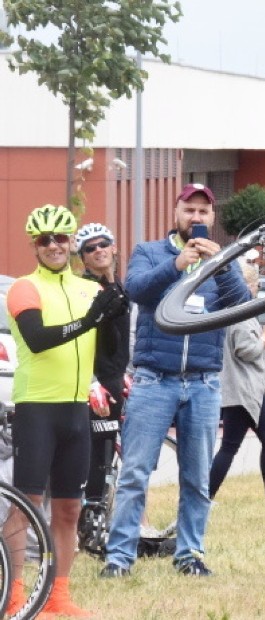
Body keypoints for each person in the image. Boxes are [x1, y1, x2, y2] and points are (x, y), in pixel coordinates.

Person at [101, 183, 250, 578]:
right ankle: (119, 558)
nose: (196, 218)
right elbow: (135, 290)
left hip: (203, 383)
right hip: (154, 381)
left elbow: (239, 306)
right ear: (176, 212)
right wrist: (177, 264)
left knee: (197, 476)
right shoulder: (150, 252)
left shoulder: (223, 258)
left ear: (212, 218)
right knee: (135, 472)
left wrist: (221, 264)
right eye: (189, 210)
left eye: (204, 212)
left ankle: (189, 554)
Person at [5, 205, 128, 617]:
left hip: (77, 410)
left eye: (61, 238)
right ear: (35, 246)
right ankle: (14, 595)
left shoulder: (89, 289)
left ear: (71, 243)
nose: (54, 245)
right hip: (37, 407)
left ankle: (58, 596)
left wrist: (115, 314)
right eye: (45, 240)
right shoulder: (24, 287)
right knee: (26, 505)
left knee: (69, 509)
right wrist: (89, 320)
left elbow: (111, 354)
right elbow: (37, 339)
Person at [209, 259, 265, 505]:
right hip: (243, 392)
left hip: (247, 391)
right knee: (234, 445)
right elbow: (247, 350)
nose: (253, 289)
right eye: (251, 283)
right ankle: (207, 495)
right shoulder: (241, 313)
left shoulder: (231, 310)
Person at [75, 223, 132, 530]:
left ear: (114, 248)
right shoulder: (86, 289)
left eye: (103, 244)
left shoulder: (118, 287)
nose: (98, 251)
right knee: (97, 453)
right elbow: (83, 341)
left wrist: (125, 373)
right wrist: (92, 381)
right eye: (90, 248)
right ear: (82, 259)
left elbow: (121, 340)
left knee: (109, 451)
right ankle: (88, 523)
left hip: (116, 377)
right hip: (94, 382)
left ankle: (103, 519)